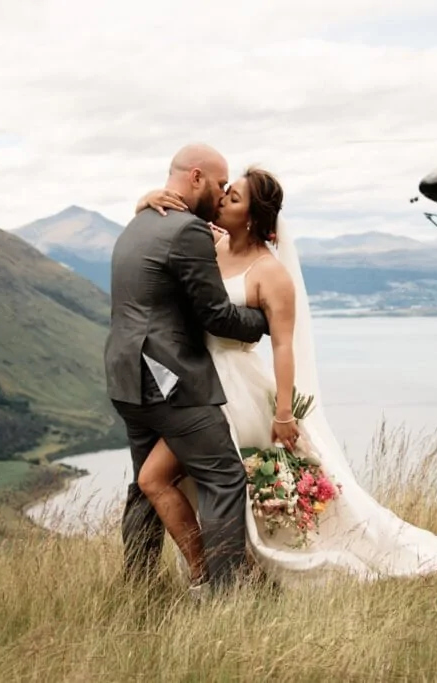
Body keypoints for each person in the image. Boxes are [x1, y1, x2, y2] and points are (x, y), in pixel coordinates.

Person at [133, 167, 437, 589]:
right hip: (198, 381)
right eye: (226, 193)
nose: (223, 199)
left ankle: (232, 578)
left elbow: (283, 345)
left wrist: (283, 412)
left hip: (235, 389)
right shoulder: (211, 244)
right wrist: (145, 202)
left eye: (235, 198)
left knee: (220, 485)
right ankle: (220, 574)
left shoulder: (270, 273)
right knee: (187, 481)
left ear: (253, 216)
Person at [104, 143, 270, 595]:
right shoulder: (187, 231)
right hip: (169, 379)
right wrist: (263, 319)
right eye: (218, 184)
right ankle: (224, 593)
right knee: (223, 477)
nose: (220, 195)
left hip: (124, 376)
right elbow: (216, 314)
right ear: (195, 177)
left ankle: (139, 585)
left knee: (146, 485)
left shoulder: (138, 223)